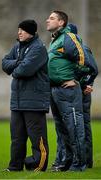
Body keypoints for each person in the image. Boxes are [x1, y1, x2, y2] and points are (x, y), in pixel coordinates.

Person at [2, 19, 50, 172]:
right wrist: (19, 62)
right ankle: (15, 166)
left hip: (34, 102)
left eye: (22, 30)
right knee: (17, 138)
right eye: (19, 30)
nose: (19, 32)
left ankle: (39, 166)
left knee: (38, 139)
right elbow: (4, 63)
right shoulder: (17, 47)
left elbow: (24, 71)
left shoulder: (39, 48)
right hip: (17, 102)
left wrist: (15, 67)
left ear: (31, 32)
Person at [50, 23, 98, 170]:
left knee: (81, 126)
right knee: (71, 126)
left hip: (80, 91)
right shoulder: (68, 48)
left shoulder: (82, 48)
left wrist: (86, 83)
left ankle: (85, 160)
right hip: (76, 89)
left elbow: (92, 68)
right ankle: (66, 158)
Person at [46, 10, 86, 171]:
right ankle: (65, 162)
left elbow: (84, 60)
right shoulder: (55, 40)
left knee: (74, 127)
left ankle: (79, 163)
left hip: (68, 90)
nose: (47, 20)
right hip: (55, 89)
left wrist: (76, 79)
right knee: (61, 128)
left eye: (52, 18)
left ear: (61, 22)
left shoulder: (69, 37)